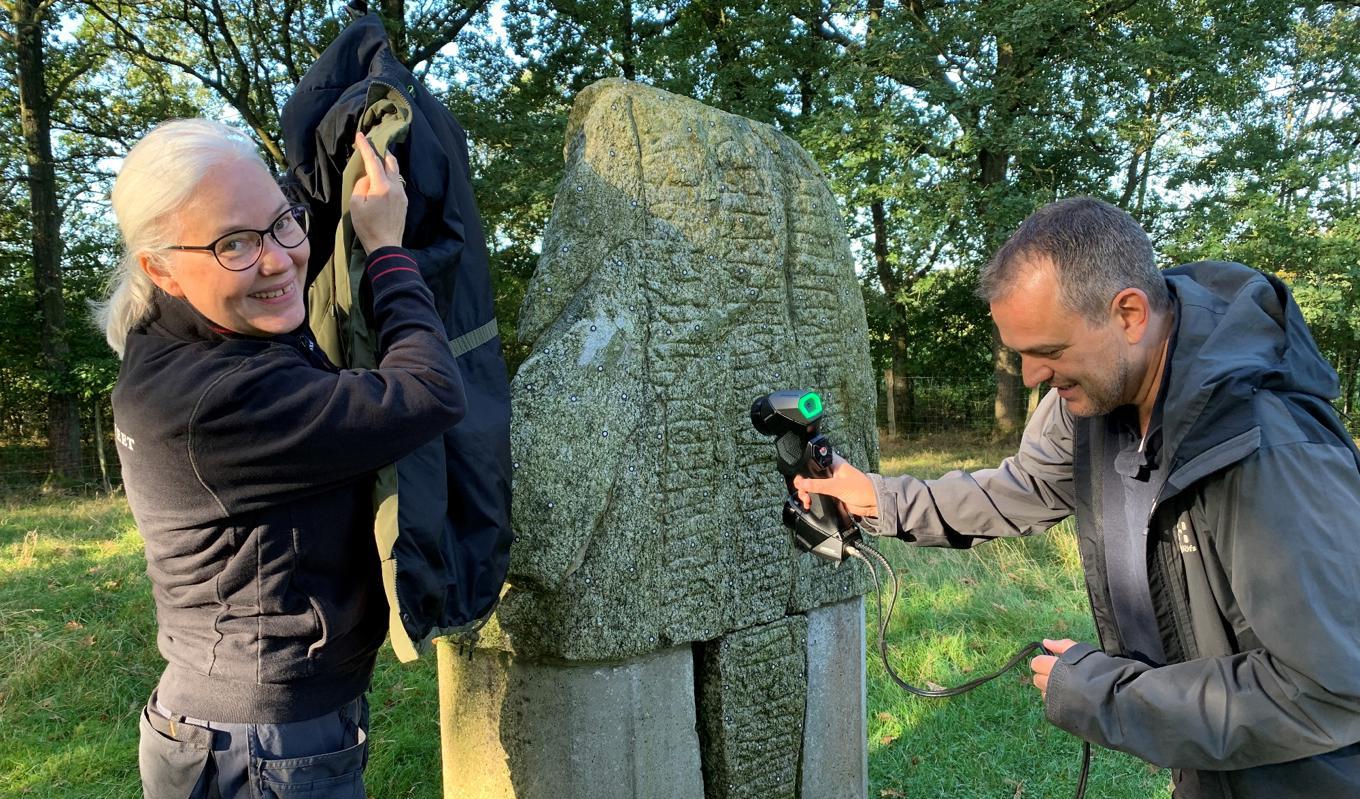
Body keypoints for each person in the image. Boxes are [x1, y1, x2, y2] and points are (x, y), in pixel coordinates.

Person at [796, 197, 1360, 798]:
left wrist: (1108, 696)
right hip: (1214, 765)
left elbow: (1331, 689)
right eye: (1020, 352)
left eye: (1050, 351)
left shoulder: (1270, 452)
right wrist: (876, 498)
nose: (1032, 375)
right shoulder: (1097, 396)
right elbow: (1023, 489)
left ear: (1130, 314)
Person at [98, 118, 465, 798]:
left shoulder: (192, 336)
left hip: (240, 726)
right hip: (259, 749)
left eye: (281, 223)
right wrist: (386, 248)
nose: (277, 259)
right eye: (233, 242)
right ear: (159, 268)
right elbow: (430, 391)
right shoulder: (217, 398)